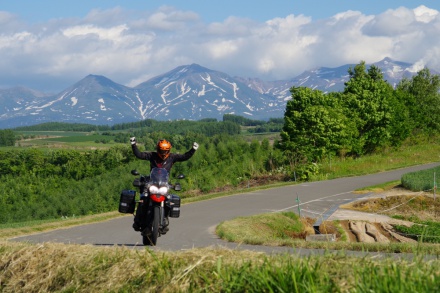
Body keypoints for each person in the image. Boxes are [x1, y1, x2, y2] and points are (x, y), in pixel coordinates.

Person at [130, 137, 198, 233]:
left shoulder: (172, 157)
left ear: (169, 150)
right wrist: (133, 145)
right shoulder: (152, 155)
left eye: (165, 151)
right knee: (143, 198)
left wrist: (193, 149)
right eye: (161, 150)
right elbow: (139, 155)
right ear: (158, 149)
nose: (163, 153)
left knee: (168, 201)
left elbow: (184, 157)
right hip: (152, 182)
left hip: (164, 183)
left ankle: (164, 220)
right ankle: (138, 220)